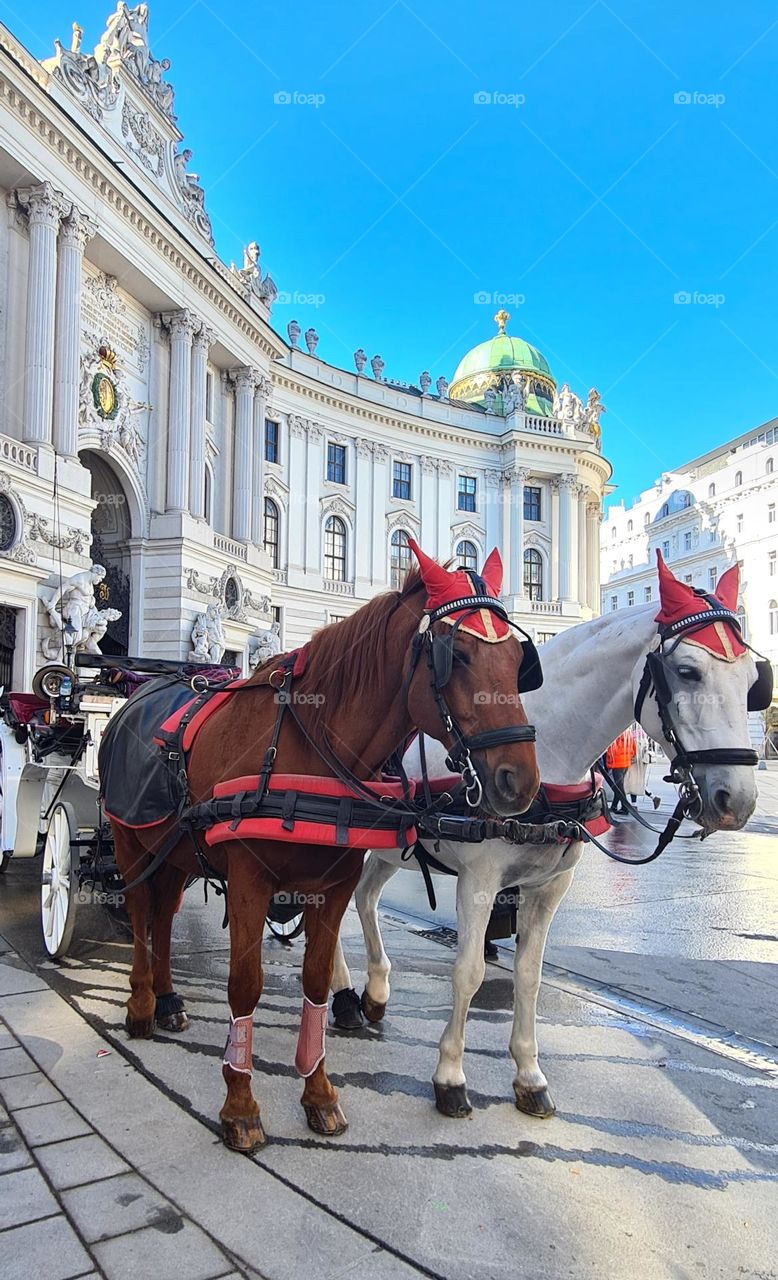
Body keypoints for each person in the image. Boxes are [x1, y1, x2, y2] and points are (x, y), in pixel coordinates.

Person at [605, 728, 635, 814]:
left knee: (619, 787)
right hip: (626, 762)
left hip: (617, 762)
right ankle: (614, 806)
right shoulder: (628, 732)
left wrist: (609, 762)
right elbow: (634, 747)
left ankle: (625, 807)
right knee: (618, 785)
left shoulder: (615, 733)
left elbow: (611, 750)